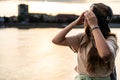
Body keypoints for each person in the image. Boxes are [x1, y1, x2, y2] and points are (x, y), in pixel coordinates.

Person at [52, 3, 118, 80]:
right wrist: (75, 23)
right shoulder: (83, 37)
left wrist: (94, 25)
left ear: (96, 19)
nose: (85, 16)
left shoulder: (110, 39)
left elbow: (105, 54)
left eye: (89, 14)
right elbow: (56, 40)